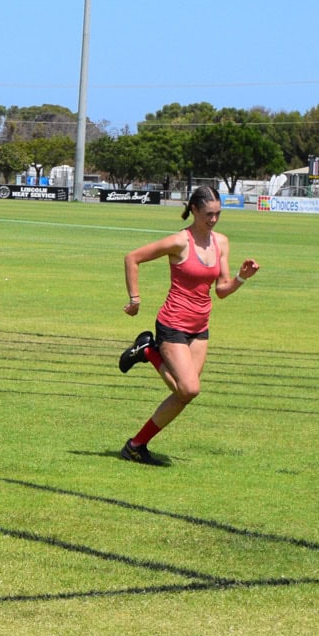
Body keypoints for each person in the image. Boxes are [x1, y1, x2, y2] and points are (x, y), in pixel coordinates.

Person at [116, 185, 260, 464]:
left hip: (200, 327)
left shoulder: (221, 242)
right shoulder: (180, 241)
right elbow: (132, 258)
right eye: (208, 214)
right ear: (194, 210)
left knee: (184, 394)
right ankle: (149, 351)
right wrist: (134, 299)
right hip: (172, 324)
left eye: (218, 214)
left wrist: (242, 278)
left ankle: (135, 445)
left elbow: (221, 290)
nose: (213, 219)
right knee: (190, 388)